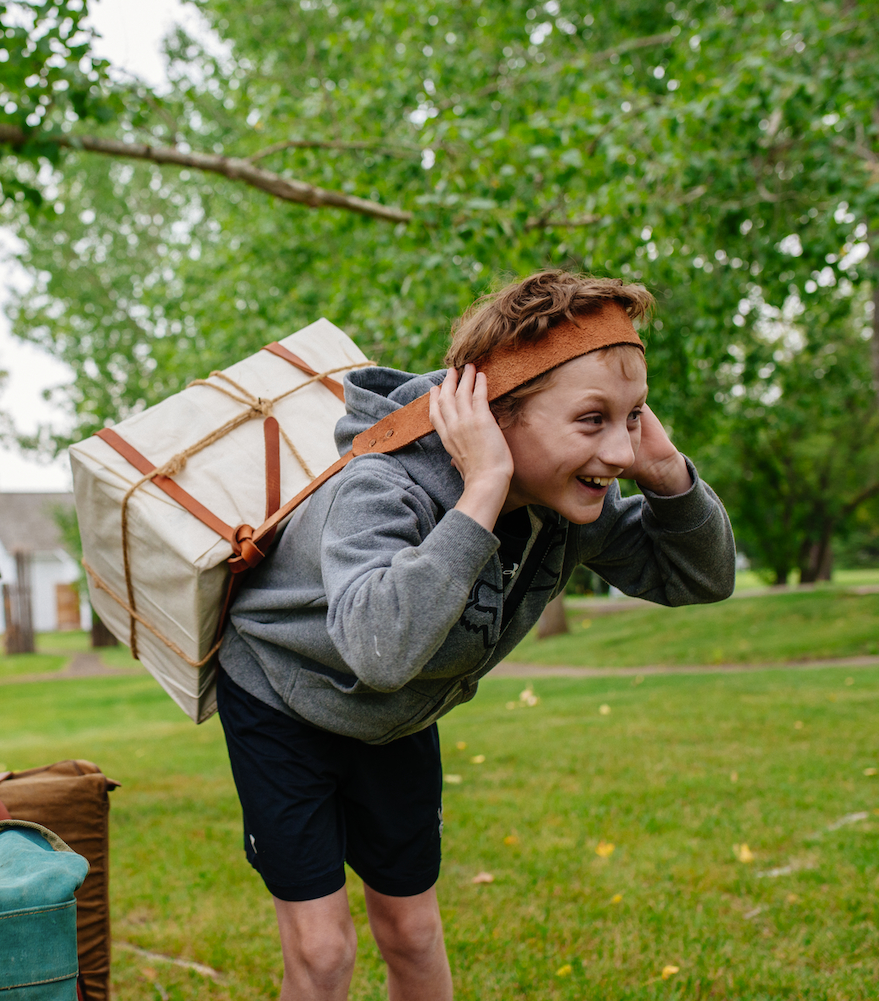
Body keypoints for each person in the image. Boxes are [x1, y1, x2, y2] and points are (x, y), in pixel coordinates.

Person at [216, 271, 736, 1000]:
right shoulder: (382, 485)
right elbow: (379, 649)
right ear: (494, 415)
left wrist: (671, 476)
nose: (617, 451)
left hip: (396, 718)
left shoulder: (569, 498)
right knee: (325, 950)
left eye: (632, 416)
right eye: (593, 420)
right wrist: (483, 490)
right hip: (282, 701)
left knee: (415, 933)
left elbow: (699, 578)